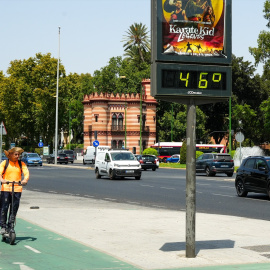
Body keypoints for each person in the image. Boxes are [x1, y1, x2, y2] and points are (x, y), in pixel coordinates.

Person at [0, 147, 29, 234]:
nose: (17, 156)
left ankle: (11, 226)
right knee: (4, 208)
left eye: (18, 154)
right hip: (5, 188)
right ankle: (3, 226)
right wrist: (2, 180)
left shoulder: (21, 164)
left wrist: (25, 180)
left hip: (17, 189)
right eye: (16, 154)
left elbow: (26, 173)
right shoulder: (5, 163)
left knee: (14, 208)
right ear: (11, 155)